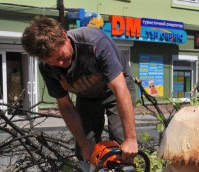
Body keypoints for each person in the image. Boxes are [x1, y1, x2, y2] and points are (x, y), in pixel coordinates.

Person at [21, 16, 138, 162]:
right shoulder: (47, 68)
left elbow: (120, 89)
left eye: (61, 56)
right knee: (85, 149)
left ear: (64, 36)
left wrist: (131, 139)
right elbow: (66, 106)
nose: (61, 63)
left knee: (121, 141)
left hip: (115, 90)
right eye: (54, 62)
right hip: (87, 96)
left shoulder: (94, 43)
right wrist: (84, 145)